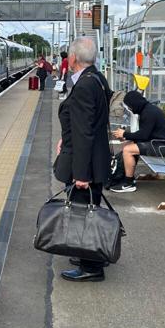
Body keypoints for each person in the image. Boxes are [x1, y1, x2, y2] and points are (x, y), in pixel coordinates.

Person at [54, 37, 113, 283]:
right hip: (95, 157)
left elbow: (84, 132)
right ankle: (88, 257)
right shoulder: (97, 79)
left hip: (86, 164)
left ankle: (92, 266)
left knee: (84, 213)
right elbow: (88, 125)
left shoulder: (85, 85)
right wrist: (65, 139)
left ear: (73, 58)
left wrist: (81, 174)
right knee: (89, 210)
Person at [111, 90, 165, 193]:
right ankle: (127, 176)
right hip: (157, 143)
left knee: (128, 150)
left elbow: (144, 135)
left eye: (129, 106)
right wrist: (126, 137)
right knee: (129, 145)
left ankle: (129, 183)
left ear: (134, 104)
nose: (129, 109)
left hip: (162, 147)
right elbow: (144, 135)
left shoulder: (148, 113)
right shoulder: (147, 110)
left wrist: (125, 134)